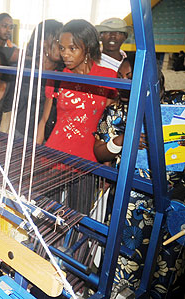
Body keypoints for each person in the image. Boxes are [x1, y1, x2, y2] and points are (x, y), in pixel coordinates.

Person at [94, 54, 185, 298]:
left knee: (166, 261)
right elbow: (99, 151)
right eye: (120, 78)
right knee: (125, 260)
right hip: (131, 198)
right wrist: (124, 140)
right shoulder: (116, 111)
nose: (124, 84)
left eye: (131, 78)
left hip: (174, 197)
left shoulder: (178, 103)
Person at [37, 19, 117, 162]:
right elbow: (44, 121)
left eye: (72, 48)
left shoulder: (108, 77)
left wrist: (107, 166)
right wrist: (32, 158)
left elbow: (108, 125)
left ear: (87, 47)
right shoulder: (57, 77)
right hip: (53, 157)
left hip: (89, 161)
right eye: (62, 48)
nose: (65, 54)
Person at [15, 19, 64, 140]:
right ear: (44, 43)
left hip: (51, 139)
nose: (64, 45)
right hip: (21, 136)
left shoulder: (65, 73)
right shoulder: (25, 69)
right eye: (59, 41)